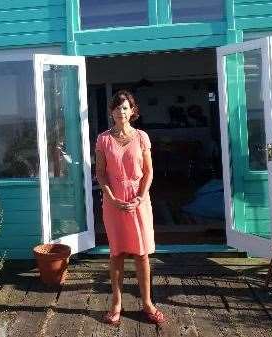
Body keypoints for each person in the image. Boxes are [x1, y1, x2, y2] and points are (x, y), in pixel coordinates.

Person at [95, 90, 164, 325]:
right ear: (111, 112)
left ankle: (147, 302)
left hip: (138, 200)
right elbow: (101, 173)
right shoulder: (103, 139)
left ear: (132, 111)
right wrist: (111, 197)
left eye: (125, 108)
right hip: (113, 201)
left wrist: (141, 196)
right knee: (117, 253)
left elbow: (149, 171)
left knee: (141, 253)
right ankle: (116, 302)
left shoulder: (142, 137)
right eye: (116, 108)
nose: (120, 112)